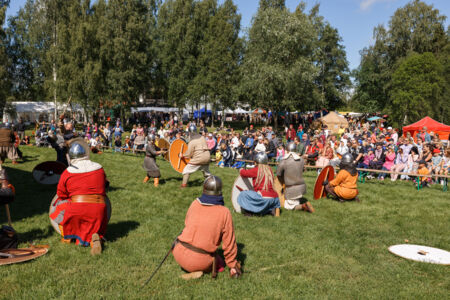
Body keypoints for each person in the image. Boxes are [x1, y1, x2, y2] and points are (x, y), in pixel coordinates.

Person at [173, 176, 242, 280]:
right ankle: (198, 270)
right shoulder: (224, 212)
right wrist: (232, 265)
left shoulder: (195, 203)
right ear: (220, 191)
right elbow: (229, 242)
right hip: (199, 261)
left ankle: (192, 269)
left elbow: (187, 223)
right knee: (220, 262)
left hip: (178, 252)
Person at [49, 141, 109, 255]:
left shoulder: (67, 173)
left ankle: (67, 237)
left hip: (77, 210)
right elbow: (105, 186)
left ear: (71, 157)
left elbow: (61, 194)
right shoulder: (99, 169)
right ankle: (93, 239)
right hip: (99, 210)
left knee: (57, 206)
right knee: (94, 216)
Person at [276, 142, 313, 212]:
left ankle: (303, 206)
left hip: (291, 188)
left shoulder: (284, 161)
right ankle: (301, 204)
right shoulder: (301, 160)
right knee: (295, 201)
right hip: (301, 187)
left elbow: (278, 173)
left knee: (288, 206)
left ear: (287, 150)